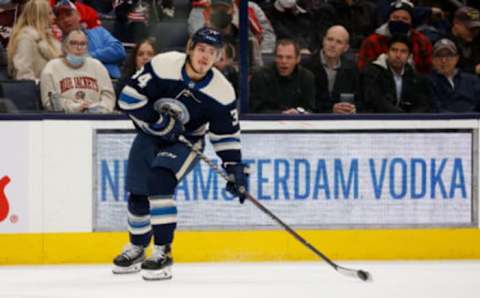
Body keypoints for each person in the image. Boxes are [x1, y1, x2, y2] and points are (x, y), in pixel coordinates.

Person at [113, 27, 249, 281]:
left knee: (160, 180)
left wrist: (234, 167)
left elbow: (226, 135)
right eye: (201, 49)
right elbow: (128, 98)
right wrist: (158, 121)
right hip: (149, 134)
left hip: (186, 142)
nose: (205, 56)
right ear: (190, 48)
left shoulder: (222, 91)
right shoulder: (164, 65)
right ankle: (138, 247)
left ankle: (163, 252)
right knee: (138, 193)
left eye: (212, 52)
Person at [40, 29, 115, 113]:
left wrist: (99, 108)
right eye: (73, 43)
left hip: (95, 118)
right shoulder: (51, 68)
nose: (79, 48)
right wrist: (75, 107)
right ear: (65, 46)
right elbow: (48, 103)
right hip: (64, 120)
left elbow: (109, 97)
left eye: (83, 44)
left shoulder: (98, 66)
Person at [54, 0, 126, 79]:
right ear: (57, 23)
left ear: (78, 15)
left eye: (69, 15)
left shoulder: (98, 31)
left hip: (111, 79)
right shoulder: (57, 44)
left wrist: (89, 56)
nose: (66, 20)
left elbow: (119, 50)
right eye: (61, 18)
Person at [357, 0, 433, 74]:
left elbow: (428, 70)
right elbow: (363, 69)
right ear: (388, 19)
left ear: (411, 22)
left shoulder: (422, 41)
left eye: (405, 19)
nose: (400, 21)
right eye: (395, 17)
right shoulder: (372, 41)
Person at [361, 34, 431, 113]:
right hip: (379, 120)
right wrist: (401, 117)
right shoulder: (373, 72)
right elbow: (377, 101)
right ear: (387, 52)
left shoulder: (414, 76)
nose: (398, 55)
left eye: (403, 51)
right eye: (394, 50)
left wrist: (410, 119)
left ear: (409, 56)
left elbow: (423, 103)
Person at [249, 38, 316, 113]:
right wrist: (281, 114)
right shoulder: (261, 76)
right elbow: (256, 109)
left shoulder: (307, 77)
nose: (284, 61)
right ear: (274, 58)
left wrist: (298, 112)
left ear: (298, 59)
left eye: (289, 57)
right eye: (280, 57)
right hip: (269, 122)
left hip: (299, 122)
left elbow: (310, 108)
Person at [303, 25, 359, 114]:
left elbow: (359, 99)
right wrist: (330, 110)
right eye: (330, 39)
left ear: (346, 48)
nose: (332, 45)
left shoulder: (352, 69)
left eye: (339, 42)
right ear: (323, 41)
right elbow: (304, 102)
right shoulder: (305, 65)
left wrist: (353, 109)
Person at [6, 0, 61, 81]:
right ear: (39, 15)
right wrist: (46, 86)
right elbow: (23, 74)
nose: (54, 17)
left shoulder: (48, 36)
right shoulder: (25, 38)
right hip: (40, 90)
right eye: (50, 13)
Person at [429, 38, 480, 112]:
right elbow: (435, 108)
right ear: (432, 59)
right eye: (439, 56)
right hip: (443, 122)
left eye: (449, 55)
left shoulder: (472, 80)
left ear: (457, 58)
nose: (444, 60)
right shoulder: (428, 82)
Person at [445, 6, 480, 76]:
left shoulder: (475, 41)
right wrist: (474, 70)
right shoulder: (444, 44)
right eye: (471, 28)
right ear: (456, 24)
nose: (475, 32)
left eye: (477, 28)